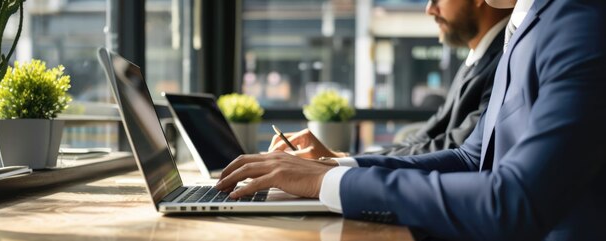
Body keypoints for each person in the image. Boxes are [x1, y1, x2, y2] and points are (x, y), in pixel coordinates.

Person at [216, 0, 606, 240]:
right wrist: (336, 166)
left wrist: (328, 181)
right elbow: (470, 158)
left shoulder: (579, 22)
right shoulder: (526, 23)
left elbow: (515, 202)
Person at [272, 0, 514, 159]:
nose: (430, 9)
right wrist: (341, 159)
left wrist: (339, 163)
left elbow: (455, 147)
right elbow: (427, 136)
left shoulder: (506, 57)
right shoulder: (476, 58)